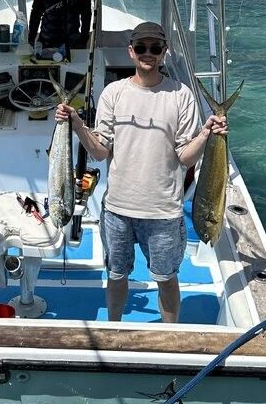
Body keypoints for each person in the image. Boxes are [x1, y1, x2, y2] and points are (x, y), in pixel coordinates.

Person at [55, 21, 227, 323]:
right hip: (118, 209)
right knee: (117, 275)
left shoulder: (181, 95)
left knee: (166, 278)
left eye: (156, 48)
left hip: (164, 212)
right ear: (132, 52)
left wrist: (206, 134)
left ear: (163, 53)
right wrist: (77, 124)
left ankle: (170, 336)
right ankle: (114, 327)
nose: (149, 53)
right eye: (143, 47)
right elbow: (100, 151)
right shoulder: (114, 92)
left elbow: (186, 158)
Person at [28, 0, 92, 52]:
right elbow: (86, 14)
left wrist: (31, 39)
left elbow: (35, 14)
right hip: (57, 42)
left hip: (58, 42)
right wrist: (83, 40)